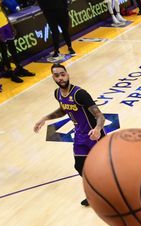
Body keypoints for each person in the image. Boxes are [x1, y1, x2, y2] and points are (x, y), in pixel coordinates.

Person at [32, 64, 104, 206]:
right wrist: (45, 118)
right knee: (79, 166)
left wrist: (97, 129)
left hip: (93, 135)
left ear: (68, 74)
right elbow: (63, 110)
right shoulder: (57, 94)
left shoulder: (80, 94)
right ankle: (95, 193)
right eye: (57, 75)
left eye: (62, 74)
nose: (60, 78)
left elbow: (100, 116)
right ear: (53, 77)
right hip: (79, 135)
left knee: (105, 167)